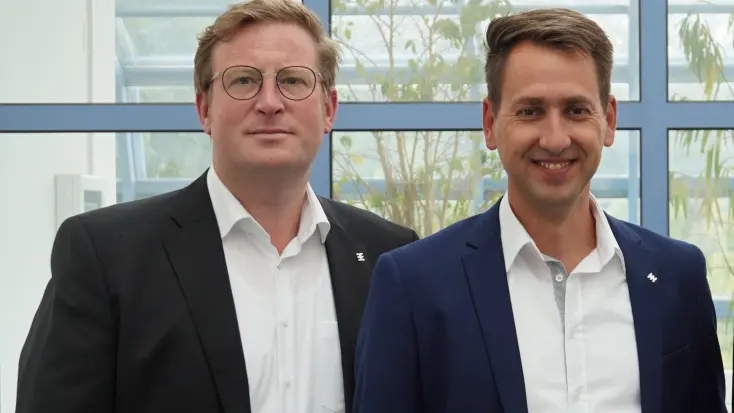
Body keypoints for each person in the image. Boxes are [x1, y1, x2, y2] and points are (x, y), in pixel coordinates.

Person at [15, 1, 418, 412]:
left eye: (293, 81)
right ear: (204, 109)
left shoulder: (389, 257)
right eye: (243, 80)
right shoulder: (106, 256)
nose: (269, 102)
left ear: (328, 109)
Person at [353, 8, 727, 413]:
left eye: (576, 110)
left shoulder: (677, 276)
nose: (554, 138)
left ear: (608, 120)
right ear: (491, 123)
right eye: (530, 111)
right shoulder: (414, 285)